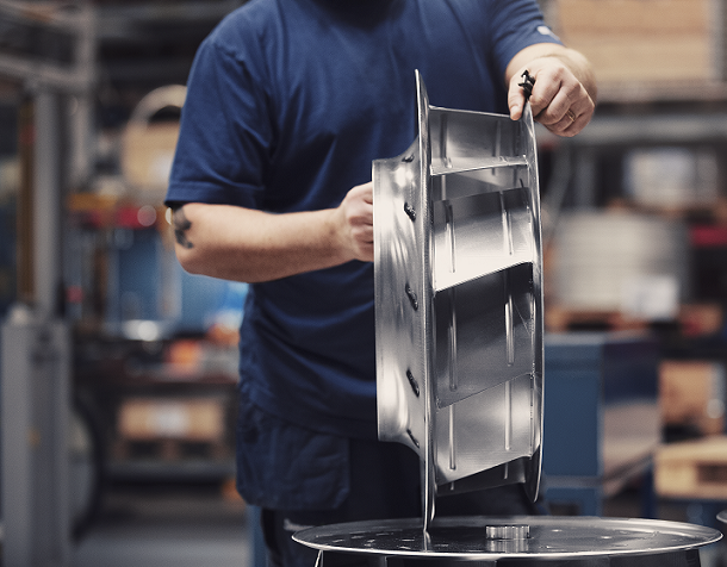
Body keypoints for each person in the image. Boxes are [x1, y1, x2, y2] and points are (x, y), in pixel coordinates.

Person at [165, 0, 596, 565]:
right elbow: (196, 235)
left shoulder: (476, 6)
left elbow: (545, 55)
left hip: (479, 406)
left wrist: (559, 74)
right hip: (321, 411)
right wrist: (333, 234)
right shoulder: (245, 46)